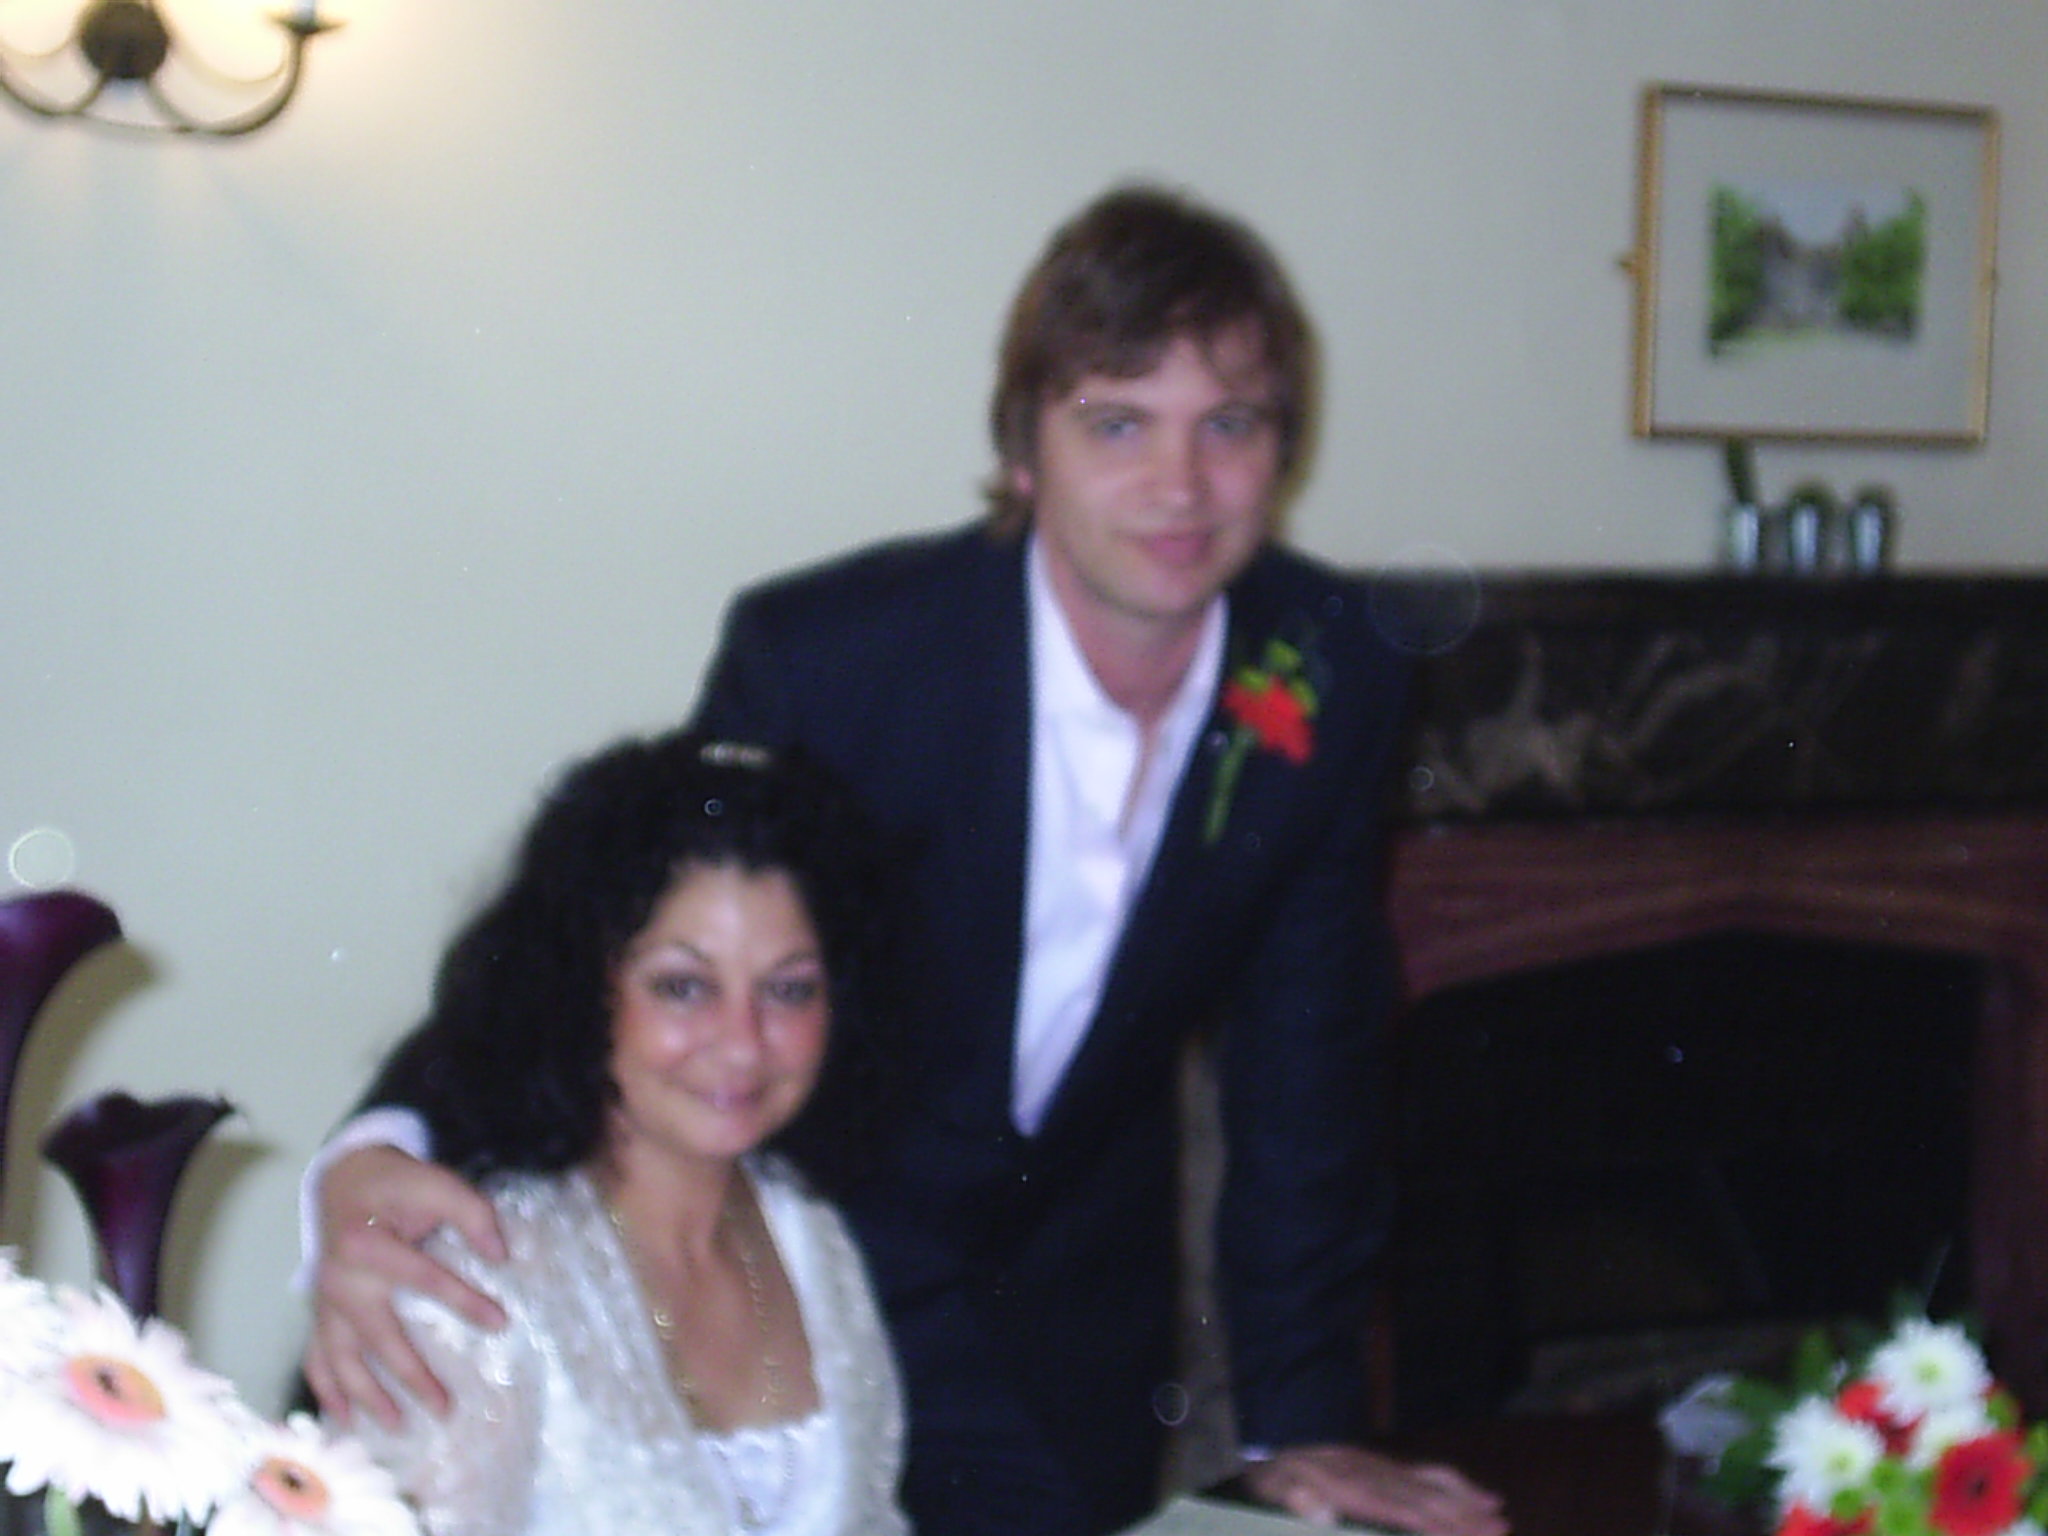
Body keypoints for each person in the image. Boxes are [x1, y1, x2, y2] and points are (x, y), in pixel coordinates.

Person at [305, 184, 1508, 1536]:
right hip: (806, 1284)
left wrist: (1303, 1427)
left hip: (1072, 1330)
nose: (1180, 487)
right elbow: (627, 926)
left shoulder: (1331, 666)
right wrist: (377, 1150)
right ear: (1023, 449)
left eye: (1228, 426)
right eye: (1118, 423)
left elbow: (1308, 1067)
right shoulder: (838, 656)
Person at [338, 731, 911, 1536]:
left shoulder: (813, 1238)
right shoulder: (478, 1277)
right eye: (684, 987)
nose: (743, 1043)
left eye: (788, 990)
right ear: (582, 988)